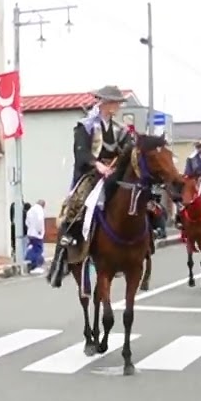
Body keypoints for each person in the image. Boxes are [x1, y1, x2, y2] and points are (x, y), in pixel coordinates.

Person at [47, 85, 133, 287]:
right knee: (75, 205)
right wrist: (98, 165)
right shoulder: (85, 126)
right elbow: (81, 153)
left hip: (114, 174)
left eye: (118, 102)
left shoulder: (120, 129)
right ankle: (64, 249)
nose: (118, 106)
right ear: (104, 103)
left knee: (135, 197)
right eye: (115, 102)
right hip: (91, 173)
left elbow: (126, 150)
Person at [25, 198, 46, 273]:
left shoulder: (31, 210)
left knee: (32, 248)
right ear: (43, 205)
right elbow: (40, 221)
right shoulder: (39, 210)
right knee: (38, 250)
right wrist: (39, 230)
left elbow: (27, 222)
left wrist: (30, 228)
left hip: (30, 232)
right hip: (37, 234)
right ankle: (35, 266)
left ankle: (28, 260)